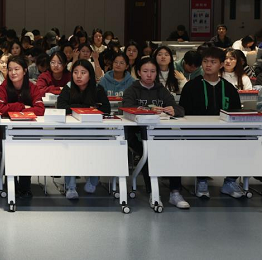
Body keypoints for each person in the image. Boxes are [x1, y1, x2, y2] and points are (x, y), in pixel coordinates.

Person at [179, 47, 245, 200]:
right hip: (198, 133)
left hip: (225, 134)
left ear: (221, 64)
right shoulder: (191, 86)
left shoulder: (229, 88)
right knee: (201, 144)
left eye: (213, 62)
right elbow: (184, 113)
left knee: (244, 142)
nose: (208, 65)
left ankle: (230, 181)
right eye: (205, 61)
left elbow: (236, 114)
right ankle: (201, 180)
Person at [122, 57, 186, 208]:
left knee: (174, 153)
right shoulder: (132, 90)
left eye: (152, 71)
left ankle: (175, 192)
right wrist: (147, 110)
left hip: (160, 134)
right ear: (139, 72)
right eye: (145, 71)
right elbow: (127, 109)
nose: (149, 75)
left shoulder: (161, 90)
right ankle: (153, 192)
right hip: (138, 135)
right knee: (148, 154)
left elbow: (180, 109)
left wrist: (173, 110)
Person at [57, 59, 111, 199]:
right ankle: (71, 185)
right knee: (70, 150)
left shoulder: (98, 89)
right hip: (72, 131)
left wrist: (74, 107)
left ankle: (93, 179)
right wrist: (88, 108)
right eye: (75, 72)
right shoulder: (68, 88)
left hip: (93, 132)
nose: (78, 76)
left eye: (83, 72)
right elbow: (61, 106)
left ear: (90, 75)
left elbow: (106, 109)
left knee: (95, 149)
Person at [0, 55, 45, 196]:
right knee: (9, 149)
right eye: (10, 69)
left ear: (25, 70)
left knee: (26, 150)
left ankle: (24, 184)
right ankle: (11, 184)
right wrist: (22, 106)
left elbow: (40, 109)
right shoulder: (3, 87)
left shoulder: (32, 87)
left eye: (16, 69)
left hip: (28, 132)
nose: (13, 73)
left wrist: (11, 109)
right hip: (3, 133)